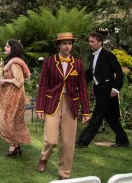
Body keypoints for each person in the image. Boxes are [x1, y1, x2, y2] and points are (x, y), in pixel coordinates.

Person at [35, 32, 91, 180]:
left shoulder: (78, 63)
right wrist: (39, 107)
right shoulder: (49, 61)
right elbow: (42, 86)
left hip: (71, 105)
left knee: (68, 143)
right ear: (58, 45)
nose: (67, 46)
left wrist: (86, 111)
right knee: (51, 140)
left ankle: (64, 173)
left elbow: (83, 88)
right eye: (64, 43)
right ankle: (44, 157)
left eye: (70, 43)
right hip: (52, 102)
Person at [76, 32, 129, 148]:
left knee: (97, 117)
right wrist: (78, 83)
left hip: (108, 90)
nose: (90, 44)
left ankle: (82, 142)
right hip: (99, 90)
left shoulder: (108, 55)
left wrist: (116, 88)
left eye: (92, 41)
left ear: (100, 42)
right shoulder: (93, 56)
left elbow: (119, 73)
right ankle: (123, 140)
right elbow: (91, 73)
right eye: (89, 41)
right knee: (111, 118)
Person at [0, 39, 32, 156]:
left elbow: (19, 81)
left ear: (13, 49)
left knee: (6, 120)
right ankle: (15, 145)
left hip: (15, 96)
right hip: (9, 94)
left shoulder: (14, 64)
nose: (5, 48)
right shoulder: (11, 62)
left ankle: (14, 145)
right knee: (5, 119)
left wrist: (4, 80)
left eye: (7, 46)